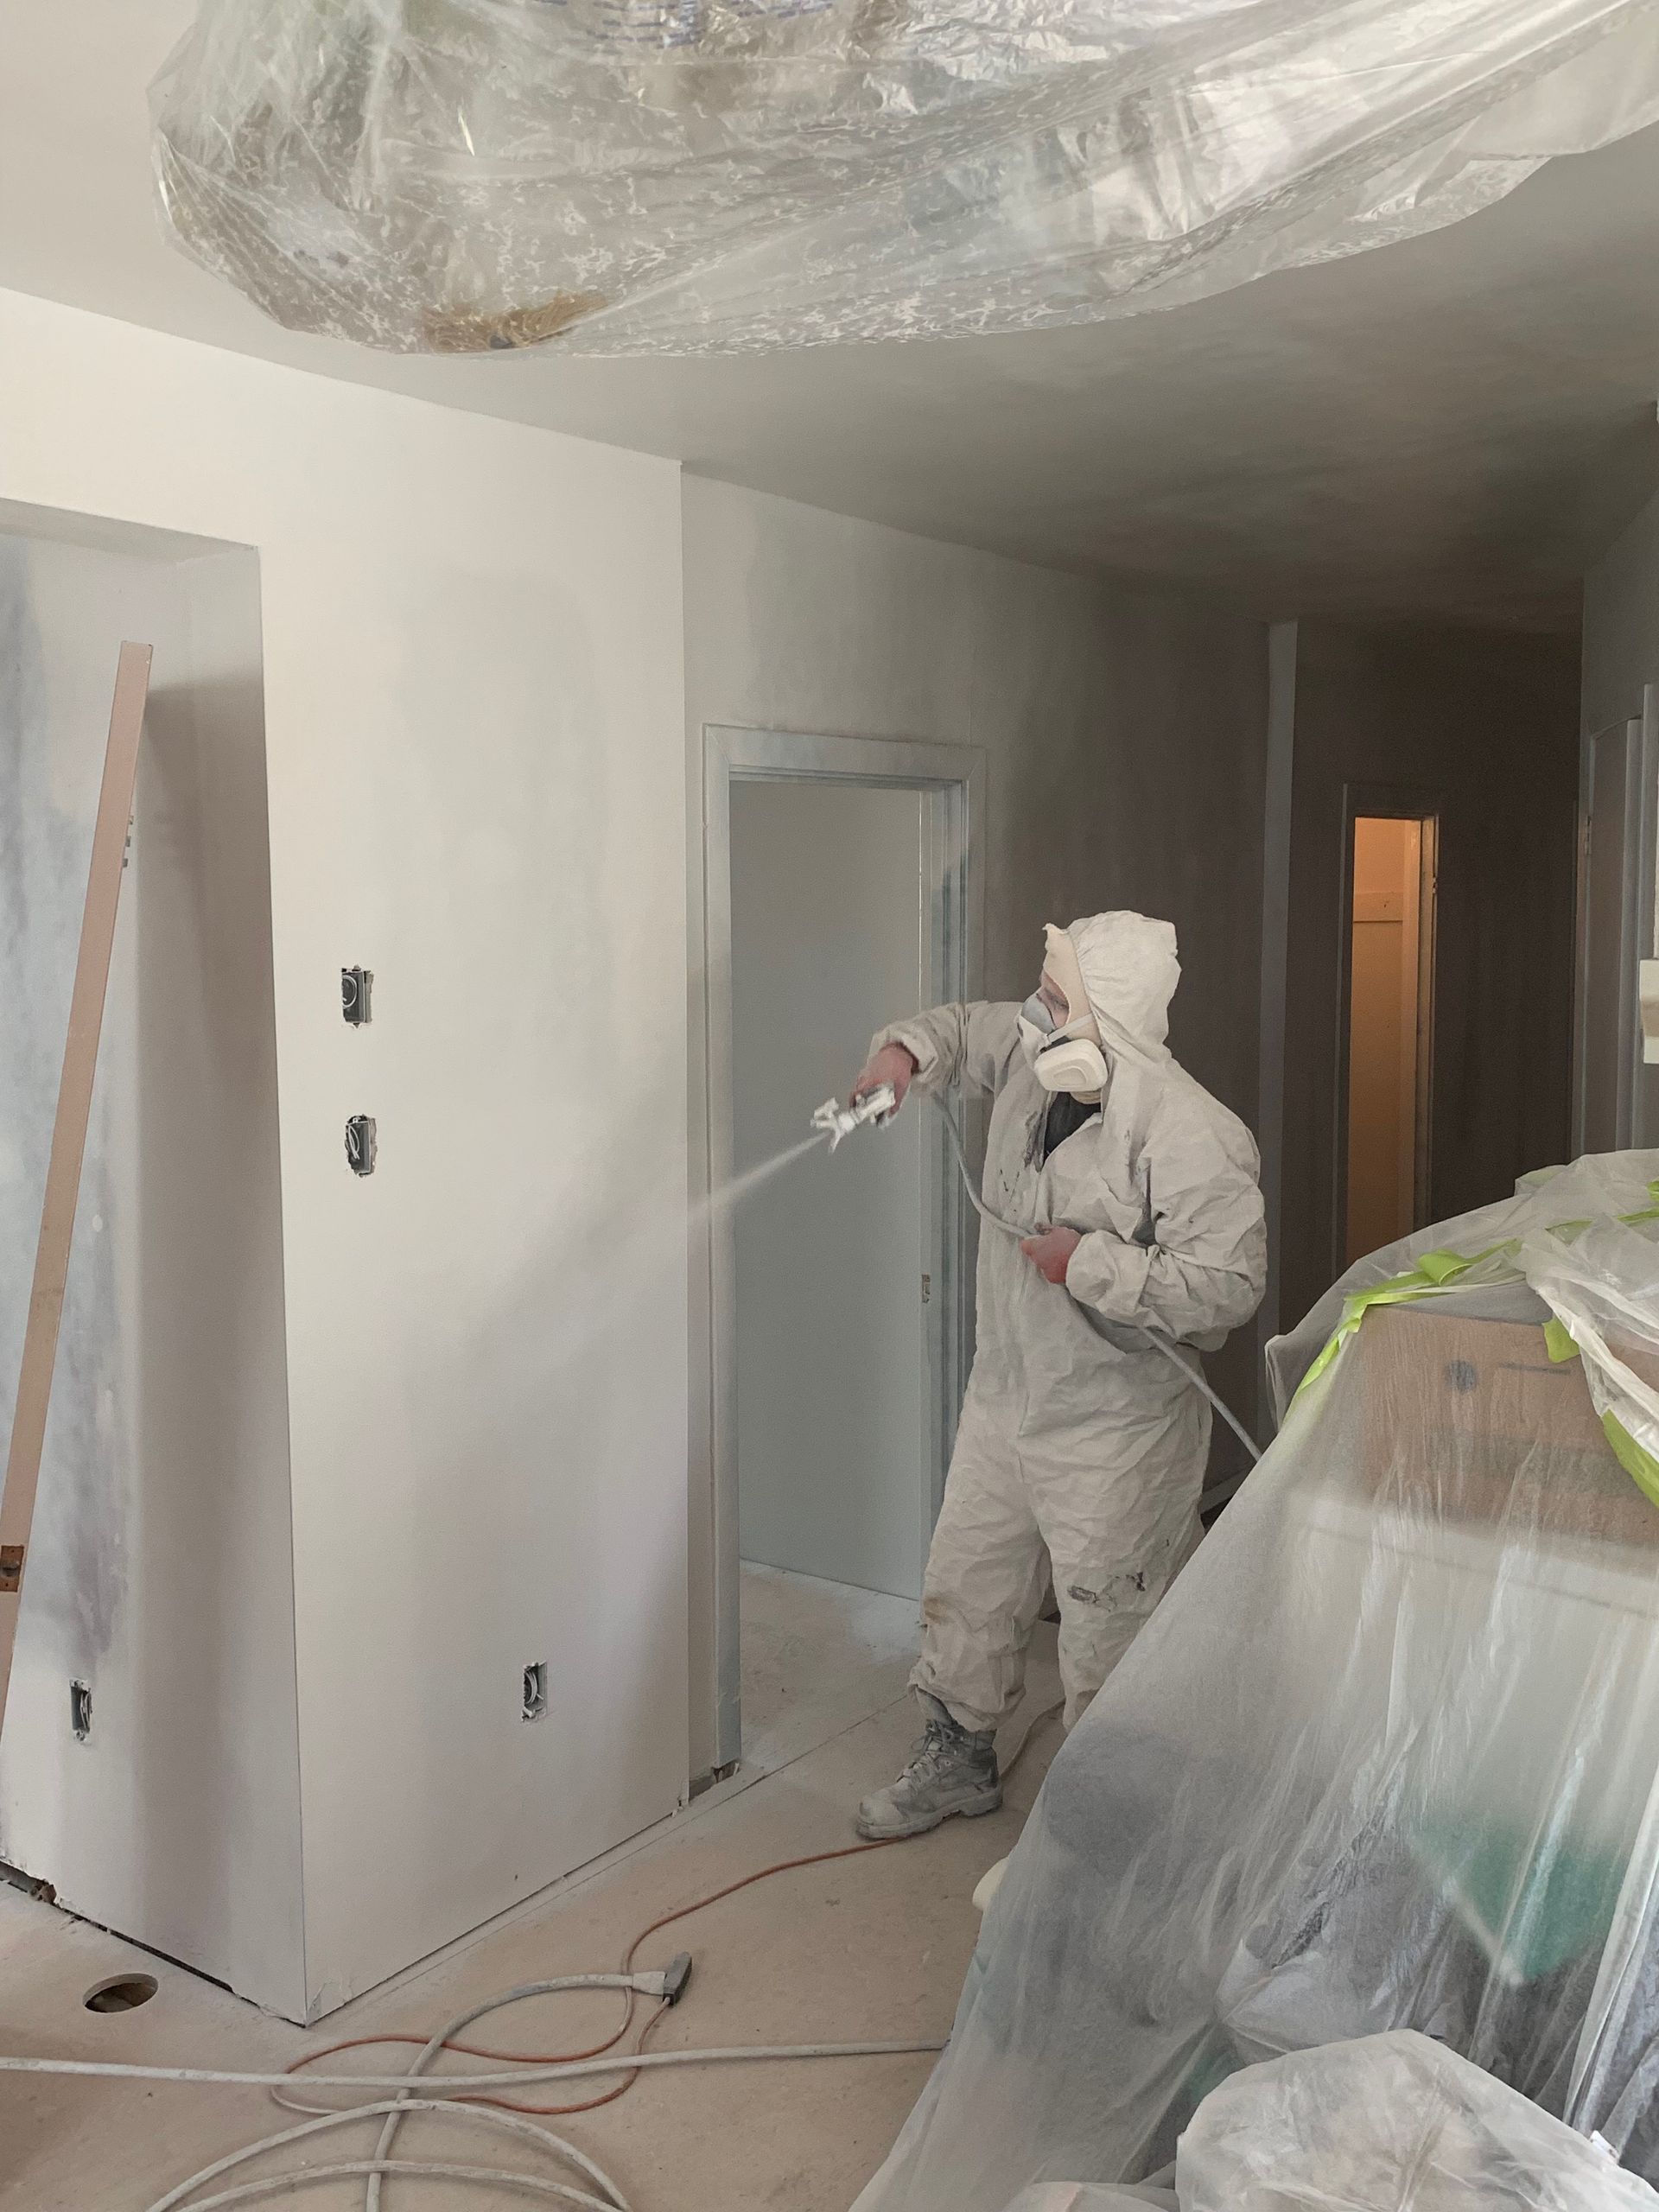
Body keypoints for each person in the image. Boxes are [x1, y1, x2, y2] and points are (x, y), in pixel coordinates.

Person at [849, 910, 1266, 1840]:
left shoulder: (1192, 1133)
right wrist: (906, 1056)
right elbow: (963, 1028)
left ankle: (1107, 1823)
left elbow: (1229, 1289)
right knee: (970, 1580)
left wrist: (1091, 1262)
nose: (1033, 1010)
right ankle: (957, 1757)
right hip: (1006, 1395)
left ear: (1106, 1014)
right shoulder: (1035, 1063)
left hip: (1117, 1429)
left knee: (1110, 1627)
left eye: (1055, 995)